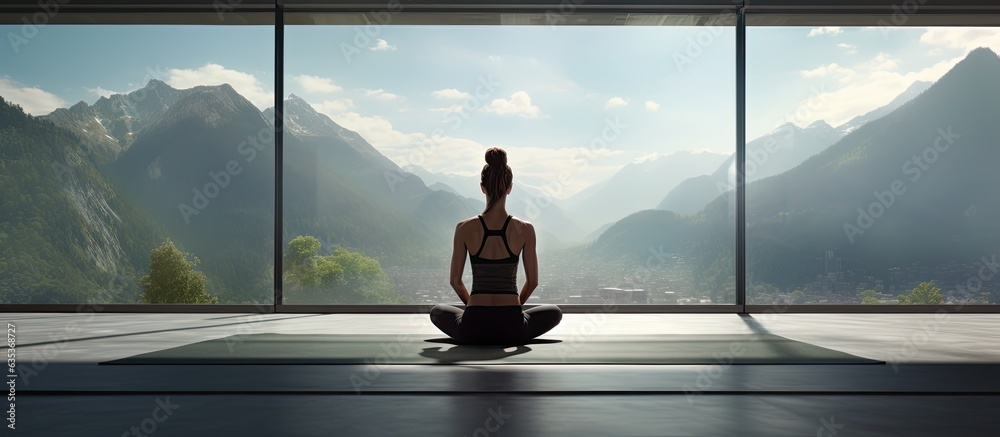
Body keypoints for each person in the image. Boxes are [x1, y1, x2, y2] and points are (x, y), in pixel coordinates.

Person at [430, 147, 562, 346]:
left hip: (472, 327)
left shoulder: (464, 228)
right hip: (512, 327)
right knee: (554, 312)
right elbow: (532, 282)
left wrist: (474, 308)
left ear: (482, 187)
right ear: (509, 188)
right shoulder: (525, 229)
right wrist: (515, 307)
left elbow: (455, 281)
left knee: (437, 311)